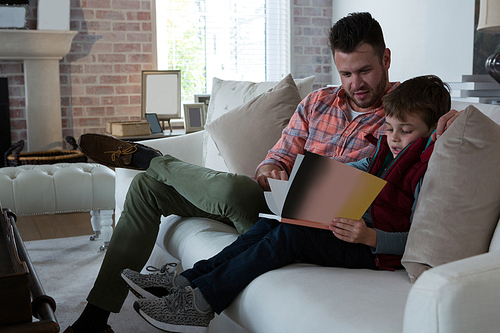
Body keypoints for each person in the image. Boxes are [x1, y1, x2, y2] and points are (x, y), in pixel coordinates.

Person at [64, 12, 446, 333]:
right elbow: (275, 158)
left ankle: (150, 158)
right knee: (149, 188)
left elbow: (442, 129)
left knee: (230, 191)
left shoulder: (403, 116)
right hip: (278, 201)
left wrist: (456, 120)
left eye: (364, 71)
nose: (355, 84)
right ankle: (95, 318)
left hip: (326, 220)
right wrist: (272, 169)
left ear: (387, 60)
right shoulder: (318, 101)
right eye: (346, 73)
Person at [128, 74, 451, 332]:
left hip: (372, 249)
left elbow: (420, 239)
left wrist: (372, 238)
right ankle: (185, 281)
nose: (394, 138)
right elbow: (359, 170)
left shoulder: (426, 171)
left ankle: (200, 305)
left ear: (433, 131)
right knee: (271, 222)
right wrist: (310, 185)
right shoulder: (389, 152)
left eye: (405, 131)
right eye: (390, 128)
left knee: (290, 236)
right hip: (346, 225)